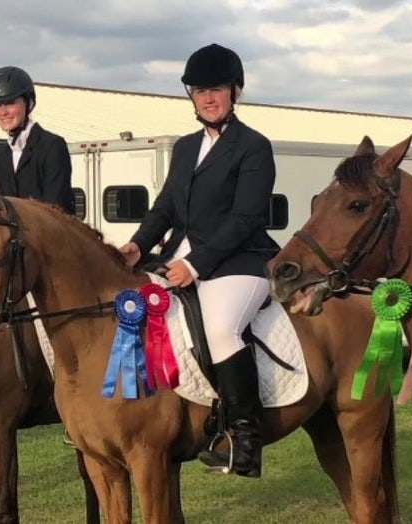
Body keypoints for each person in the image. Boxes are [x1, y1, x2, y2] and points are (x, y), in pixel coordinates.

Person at [118, 43, 279, 478]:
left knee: (221, 327)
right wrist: (138, 244)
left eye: (217, 89)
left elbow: (245, 218)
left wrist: (196, 264)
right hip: (180, 256)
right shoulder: (186, 147)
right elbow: (166, 207)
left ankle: (245, 438)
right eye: (200, 90)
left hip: (241, 260)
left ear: (234, 92)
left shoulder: (254, 147)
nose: (208, 98)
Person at [0, 66, 75, 214]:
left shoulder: (52, 146)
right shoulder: (2, 156)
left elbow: (56, 209)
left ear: (29, 103)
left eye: (10, 102)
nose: (3, 112)